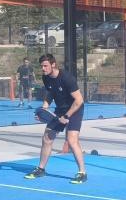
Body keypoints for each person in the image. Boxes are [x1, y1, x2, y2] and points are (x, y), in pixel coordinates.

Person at [25, 54, 88, 184]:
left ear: (53, 64)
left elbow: (79, 100)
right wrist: (44, 108)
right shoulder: (46, 77)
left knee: (71, 140)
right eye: (41, 66)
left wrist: (66, 116)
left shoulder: (67, 78)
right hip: (60, 110)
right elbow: (51, 93)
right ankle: (41, 169)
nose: (43, 68)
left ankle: (82, 173)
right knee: (47, 138)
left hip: (75, 109)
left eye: (45, 65)